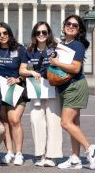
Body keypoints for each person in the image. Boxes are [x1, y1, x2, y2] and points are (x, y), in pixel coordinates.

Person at [51, 15, 95, 170]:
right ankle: (75, 158)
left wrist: (55, 62)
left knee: (65, 122)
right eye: (68, 23)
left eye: (75, 25)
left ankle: (90, 149)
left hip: (74, 86)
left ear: (79, 30)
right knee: (74, 124)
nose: (71, 26)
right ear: (64, 25)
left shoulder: (77, 45)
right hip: (66, 87)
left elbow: (76, 68)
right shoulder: (63, 44)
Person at [19, 21, 62, 167]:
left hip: (53, 88)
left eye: (44, 32)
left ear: (48, 33)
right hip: (36, 89)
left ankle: (52, 155)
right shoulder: (29, 50)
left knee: (53, 121)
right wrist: (32, 72)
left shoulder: (55, 48)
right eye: (38, 33)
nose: (41, 35)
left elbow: (62, 65)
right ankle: (40, 154)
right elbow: (22, 70)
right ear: (34, 35)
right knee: (36, 121)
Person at [0, 22, 26, 166]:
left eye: (5, 33)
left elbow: (26, 69)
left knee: (14, 119)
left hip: (15, 89)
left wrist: (18, 79)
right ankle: (9, 151)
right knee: (4, 123)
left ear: (9, 33)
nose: (2, 36)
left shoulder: (19, 49)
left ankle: (19, 153)